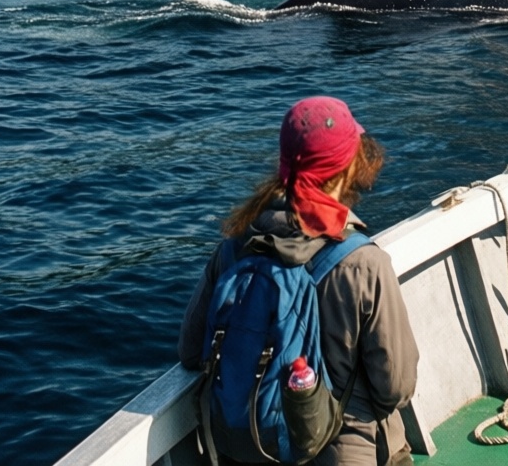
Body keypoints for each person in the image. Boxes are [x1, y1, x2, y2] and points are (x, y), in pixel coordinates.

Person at [180, 96, 420, 466]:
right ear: (345, 167)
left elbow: (191, 351)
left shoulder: (233, 247)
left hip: (244, 449)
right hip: (339, 453)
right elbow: (396, 388)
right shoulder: (363, 263)